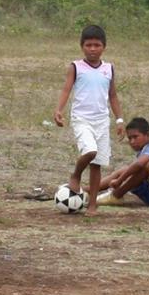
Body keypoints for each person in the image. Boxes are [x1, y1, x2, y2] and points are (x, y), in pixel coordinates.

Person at [52, 24, 121, 210]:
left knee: (97, 164)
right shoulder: (76, 67)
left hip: (102, 120)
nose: (92, 49)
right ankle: (75, 175)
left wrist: (119, 120)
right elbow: (66, 89)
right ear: (82, 46)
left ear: (104, 47)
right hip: (82, 119)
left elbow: (113, 95)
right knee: (90, 151)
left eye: (97, 45)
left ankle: (92, 205)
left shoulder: (108, 68)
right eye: (88, 45)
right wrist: (59, 110)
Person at [92, 117, 149, 207]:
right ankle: (89, 191)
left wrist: (119, 181)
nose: (132, 141)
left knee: (146, 165)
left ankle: (115, 195)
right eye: (129, 138)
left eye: (135, 137)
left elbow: (139, 164)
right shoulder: (143, 152)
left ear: (148, 135)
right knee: (125, 170)